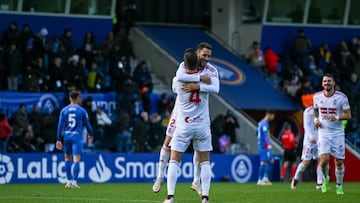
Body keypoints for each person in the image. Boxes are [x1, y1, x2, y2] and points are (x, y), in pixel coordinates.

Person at [152, 43, 215, 194]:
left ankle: (196, 180)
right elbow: (176, 83)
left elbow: (213, 85)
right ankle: (160, 177)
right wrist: (199, 79)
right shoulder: (184, 67)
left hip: (197, 113)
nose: (206, 58)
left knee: (199, 148)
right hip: (180, 110)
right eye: (204, 55)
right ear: (197, 54)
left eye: (208, 56)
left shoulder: (209, 70)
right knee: (167, 143)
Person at [313, 73, 351, 195]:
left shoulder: (342, 97)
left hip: (337, 134)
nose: (327, 83)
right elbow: (315, 110)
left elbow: (348, 115)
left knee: (338, 162)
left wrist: (336, 117)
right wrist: (315, 120)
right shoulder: (317, 97)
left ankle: (339, 186)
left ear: (333, 83)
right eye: (324, 81)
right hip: (323, 133)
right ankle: (326, 179)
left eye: (329, 81)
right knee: (323, 160)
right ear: (322, 83)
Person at [56, 90, 93, 189]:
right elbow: (88, 125)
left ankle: (68, 181)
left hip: (67, 136)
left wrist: (58, 139)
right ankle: (74, 182)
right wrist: (90, 135)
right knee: (76, 160)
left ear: (69, 98)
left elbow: (60, 126)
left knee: (67, 158)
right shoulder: (82, 111)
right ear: (78, 98)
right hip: (77, 137)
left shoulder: (64, 110)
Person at [291, 94, 324, 190]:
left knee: (321, 160)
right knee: (306, 162)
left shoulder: (321, 111)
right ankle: (296, 178)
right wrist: (310, 137)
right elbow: (306, 126)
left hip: (320, 140)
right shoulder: (307, 112)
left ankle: (319, 183)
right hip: (309, 141)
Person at [257, 110, 275, 185]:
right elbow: (265, 135)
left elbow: (256, 132)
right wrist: (268, 143)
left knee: (271, 160)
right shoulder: (264, 123)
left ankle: (265, 178)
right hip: (264, 146)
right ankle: (260, 179)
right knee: (264, 162)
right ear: (269, 114)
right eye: (273, 115)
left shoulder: (260, 123)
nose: (273, 117)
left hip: (262, 145)